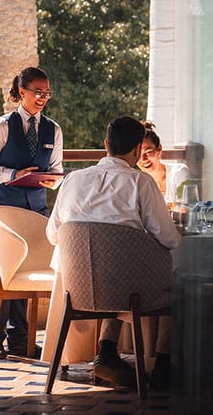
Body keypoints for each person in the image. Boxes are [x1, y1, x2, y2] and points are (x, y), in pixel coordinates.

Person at [46, 116, 181, 389]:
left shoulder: (72, 180)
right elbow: (169, 239)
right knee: (176, 283)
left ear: (106, 144)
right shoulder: (140, 183)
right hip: (126, 289)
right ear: (135, 150)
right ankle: (163, 366)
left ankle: (107, 351)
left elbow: (52, 234)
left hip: (77, 288)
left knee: (115, 268)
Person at [0, 66, 63, 359]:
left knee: (29, 272)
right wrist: (13, 173)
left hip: (36, 210)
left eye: (46, 92)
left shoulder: (53, 129)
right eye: (37, 92)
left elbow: (54, 169)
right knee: (2, 272)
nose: (42, 97)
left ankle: (21, 338)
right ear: (22, 91)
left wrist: (51, 180)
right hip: (2, 210)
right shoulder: (1, 126)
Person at [138, 121, 191, 205]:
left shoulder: (179, 172)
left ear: (159, 149)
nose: (143, 159)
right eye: (138, 154)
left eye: (148, 152)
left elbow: (185, 210)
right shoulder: (137, 185)